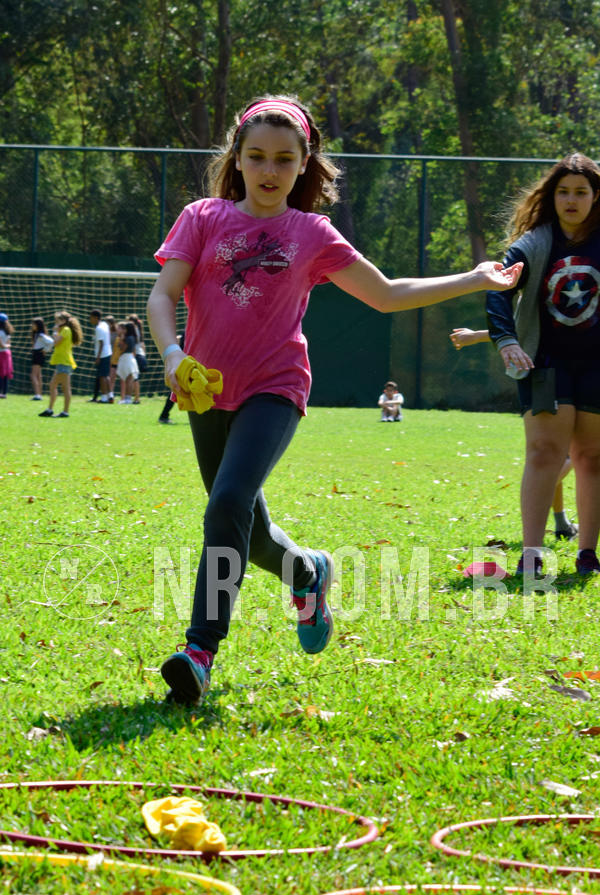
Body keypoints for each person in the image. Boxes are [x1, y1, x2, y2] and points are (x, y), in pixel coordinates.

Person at [147, 94, 522, 705]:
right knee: (247, 528)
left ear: (304, 164)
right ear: (237, 158)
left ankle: (199, 650)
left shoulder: (311, 233)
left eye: (284, 159)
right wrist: (172, 355)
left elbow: (387, 294)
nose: (270, 170)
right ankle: (307, 572)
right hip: (204, 391)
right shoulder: (202, 217)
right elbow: (163, 296)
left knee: (228, 503)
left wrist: (474, 279)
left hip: (275, 387)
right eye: (257, 156)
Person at [486, 152, 600, 576]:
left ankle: (587, 554)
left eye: (581, 192)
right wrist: (506, 341)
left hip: (595, 366)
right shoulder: (534, 242)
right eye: (563, 192)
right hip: (545, 363)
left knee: (591, 457)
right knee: (543, 452)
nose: (571, 200)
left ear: (595, 196)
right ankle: (532, 555)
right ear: (552, 197)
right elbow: (497, 288)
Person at [450, 325, 578, 540]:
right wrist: (477, 336)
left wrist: (477, 336)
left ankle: (561, 523)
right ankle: (543, 506)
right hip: (556, 375)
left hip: (558, 374)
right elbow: (527, 325)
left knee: (557, 455)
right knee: (568, 455)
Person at [38, 310, 83, 418]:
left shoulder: (66, 330)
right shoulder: (63, 330)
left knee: (63, 387)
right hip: (62, 362)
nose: (56, 322)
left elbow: (56, 342)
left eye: (57, 320)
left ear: (63, 320)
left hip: (64, 362)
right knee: (57, 386)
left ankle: (63, 411)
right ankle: (51, 410)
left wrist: (55, 332)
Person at [89, 309, 113, 403]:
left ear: (96, 317)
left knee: (102, 377)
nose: (90, 319)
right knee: (106, 376)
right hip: (108, 353)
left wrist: (98, 357)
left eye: (91, 317)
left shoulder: (99, 328)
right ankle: (110, 396)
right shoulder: (104, 324)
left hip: (103, 355)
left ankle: (104, 398)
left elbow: (101, 343)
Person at [30, 316, 54, 400]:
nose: (32, 326)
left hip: (38, 355)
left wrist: (46, 349)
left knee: (33, 375)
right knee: (38, 375)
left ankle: (37, 395)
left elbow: (51, 342)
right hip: (38, 354)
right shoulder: (37, 334)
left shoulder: (40, 335)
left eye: (33, 324)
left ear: (38, 325)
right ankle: (39, 394)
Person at [115, 320, 139, 404]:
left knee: (128, 380)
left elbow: (122, 348)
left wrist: (121, 340)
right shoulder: (132, 337)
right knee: (128, 379)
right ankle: (127, 398)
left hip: (126, 358)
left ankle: (127, 399)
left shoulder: (128, 338)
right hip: (129, 358)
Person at [0, 313, 14, 399]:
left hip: (1, 354)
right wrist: (5, 346)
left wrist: (3, 345)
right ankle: (4, 393)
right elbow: (9, 345)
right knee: (5, 374)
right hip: (7, 353)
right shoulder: (7, 332)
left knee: (1, 373)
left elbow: (1, 345)